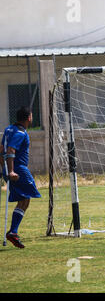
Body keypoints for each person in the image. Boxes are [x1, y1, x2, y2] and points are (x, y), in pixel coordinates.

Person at [0, 106, 41, 248]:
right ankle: (13, 232)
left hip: (8, 168)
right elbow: (10, 150)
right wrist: (11, 171)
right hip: (18, 169)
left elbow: (1, 150)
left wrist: (4, 169)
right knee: (26, 198)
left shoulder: (9, 129)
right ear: (29, 117)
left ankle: (13, 232)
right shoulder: (20, 133)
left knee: (24, 199)